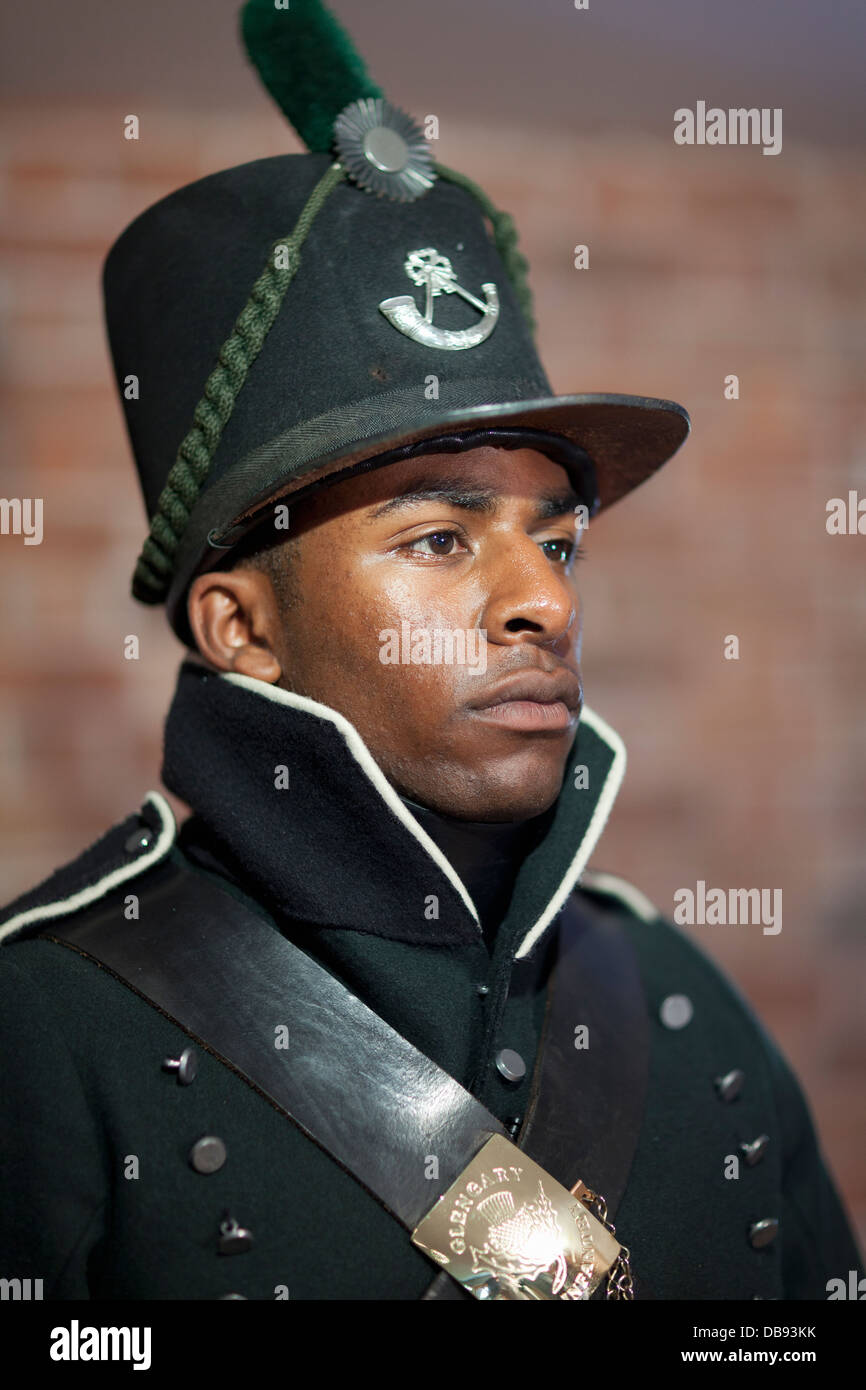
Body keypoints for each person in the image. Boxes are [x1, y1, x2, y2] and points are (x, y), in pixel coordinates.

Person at [0, 0, 860, 1302]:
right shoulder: (40, 1027)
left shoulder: (686, 998)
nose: (545, 604)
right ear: (244, 626)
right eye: (440, 540)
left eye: (554, 544)